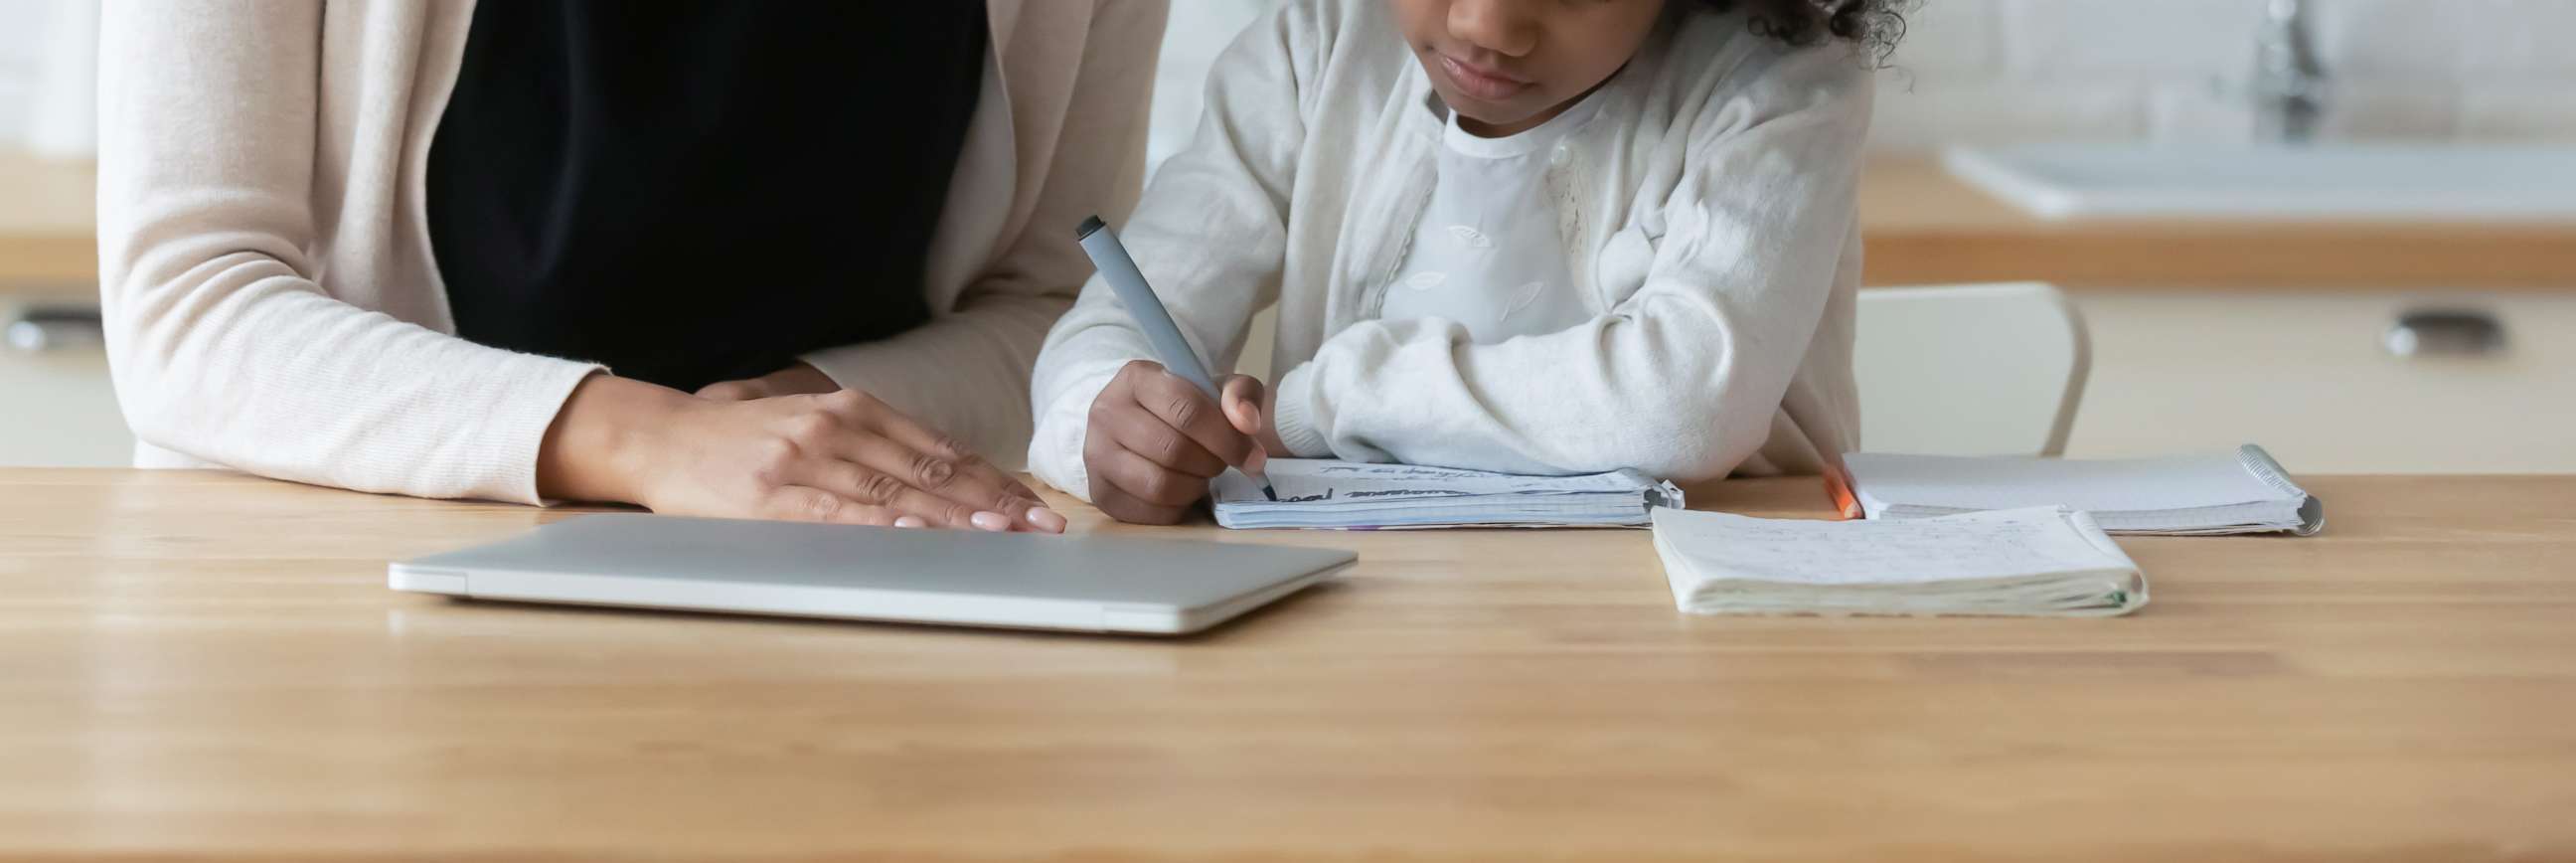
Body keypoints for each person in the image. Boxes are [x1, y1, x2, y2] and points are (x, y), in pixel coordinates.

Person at [95, 1, 1169, 532]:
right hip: (360, 580)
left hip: (857, 569)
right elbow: (191, 298)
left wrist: (818, 420)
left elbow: (1052, 302)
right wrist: (653, 443)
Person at [1027, 0, 1909, 524]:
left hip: (1702, 622)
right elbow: (1114, 322)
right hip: (1364, 609)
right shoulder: (1318, 44)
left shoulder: (1783, 85)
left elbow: (1685, 403)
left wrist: (1320, 402)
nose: (1487, 26)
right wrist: (1103, 422)